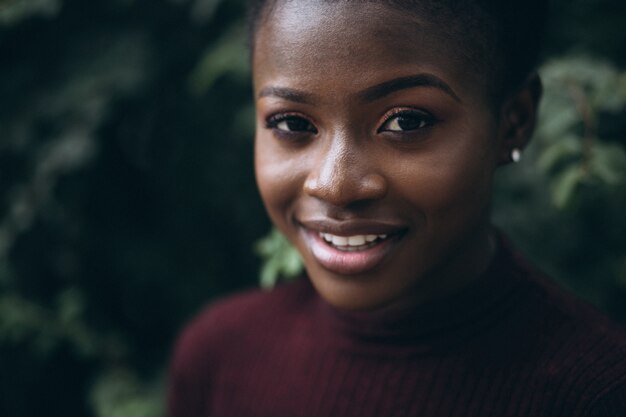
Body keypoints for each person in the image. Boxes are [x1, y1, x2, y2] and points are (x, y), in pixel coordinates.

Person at [168, 1, 626, 416]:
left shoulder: (595, 394)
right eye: (291, 122)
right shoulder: (219, 359)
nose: (335, 185)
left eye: (406, 122)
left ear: (514, 122)